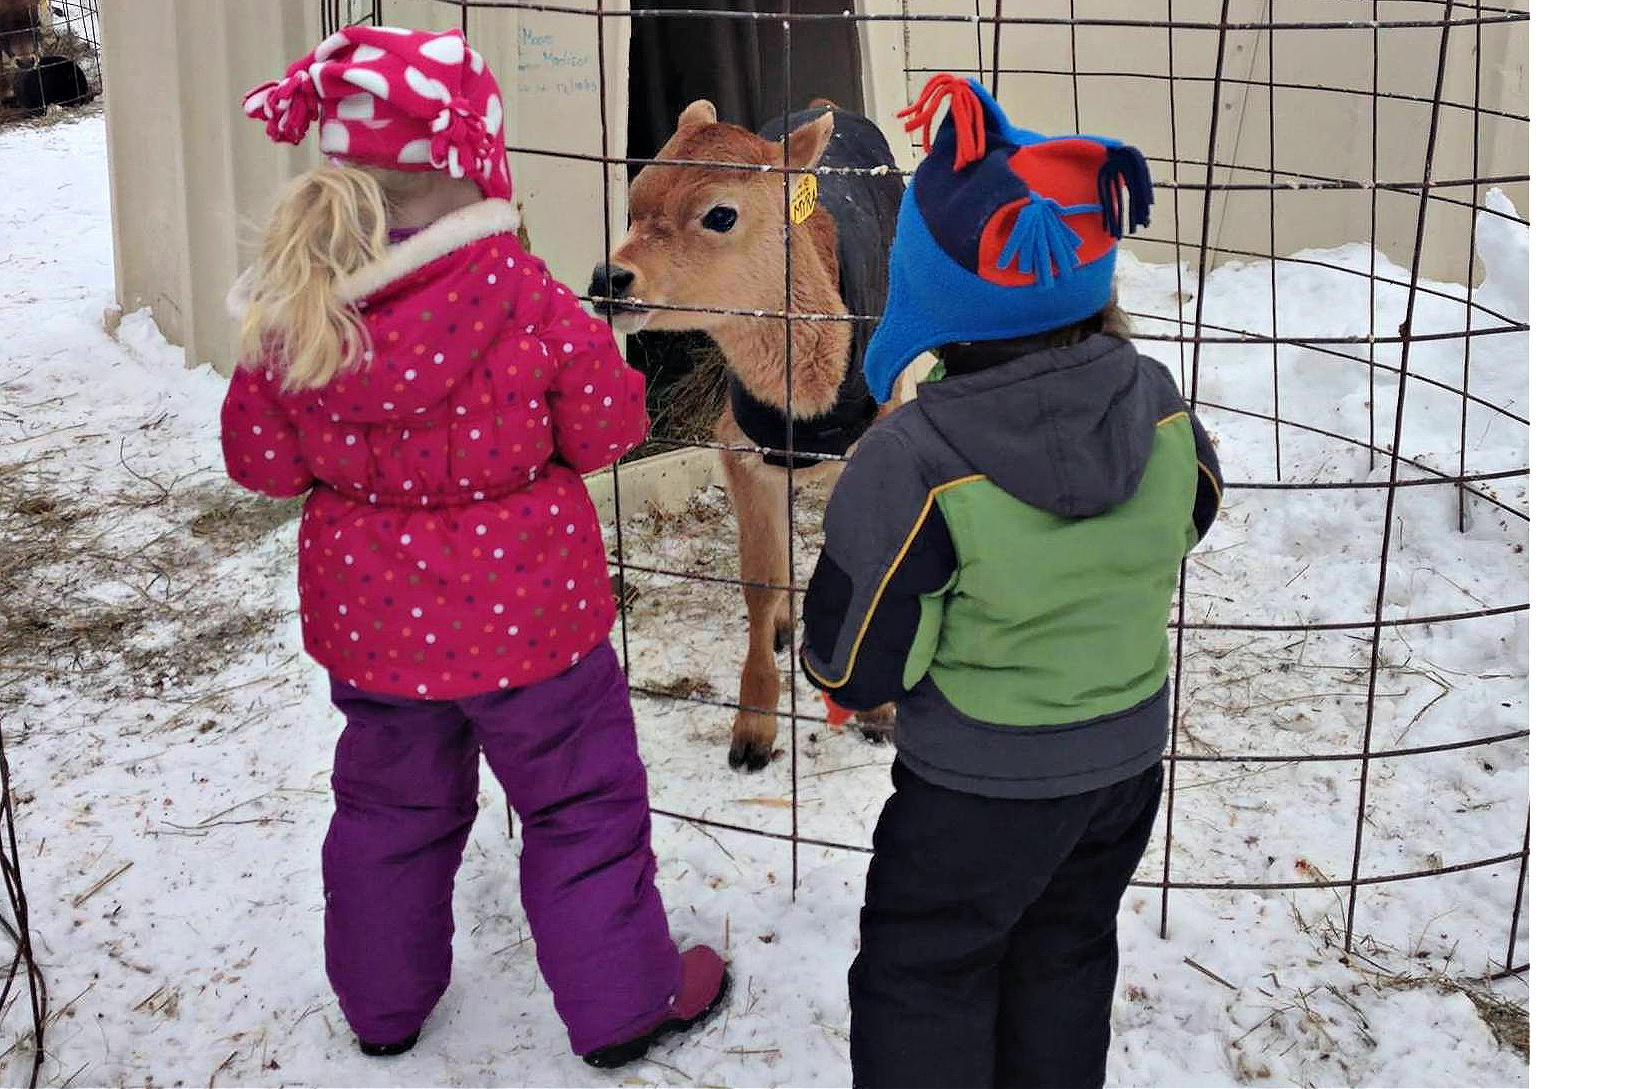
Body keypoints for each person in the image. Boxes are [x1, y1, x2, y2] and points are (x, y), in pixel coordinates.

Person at [220, 25, 727, 1069]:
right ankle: (625, 1004)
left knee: (385, 813)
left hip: (377, 631)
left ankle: (382, 1008)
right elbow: (606, 432)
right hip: (533, 624)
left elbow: (261, 463)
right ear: (475, 170)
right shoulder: (529, 300)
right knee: (580, 807)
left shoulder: (297, 312)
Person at [800, 74, 1223, 1088]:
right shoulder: (1159, 404)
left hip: (976, 785)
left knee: (925, 968)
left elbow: (855, 647)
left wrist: (847, 685)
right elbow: (1190, 513)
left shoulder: (913, 458)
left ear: (929, 288)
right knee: (1063, 951)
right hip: (1121, 767)